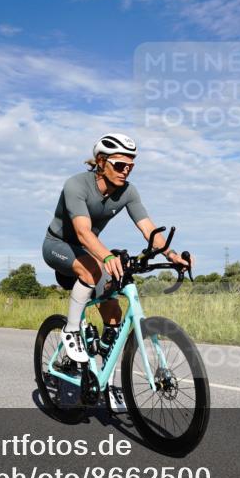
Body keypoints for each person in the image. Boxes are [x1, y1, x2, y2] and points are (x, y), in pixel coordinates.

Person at [42, 133, 191, 364]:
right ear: (101, 162)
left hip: (90, 250)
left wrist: (172, 255)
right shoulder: (76, 185)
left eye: (130, 166)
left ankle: (102, 375)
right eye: (120, 165)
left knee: (113, 312)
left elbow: (148, 228)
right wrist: (107, 256)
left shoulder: (128, 192)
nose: (125, 171)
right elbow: (83, 232)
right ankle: (71, 330)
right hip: (58, 245)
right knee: (93, 269)